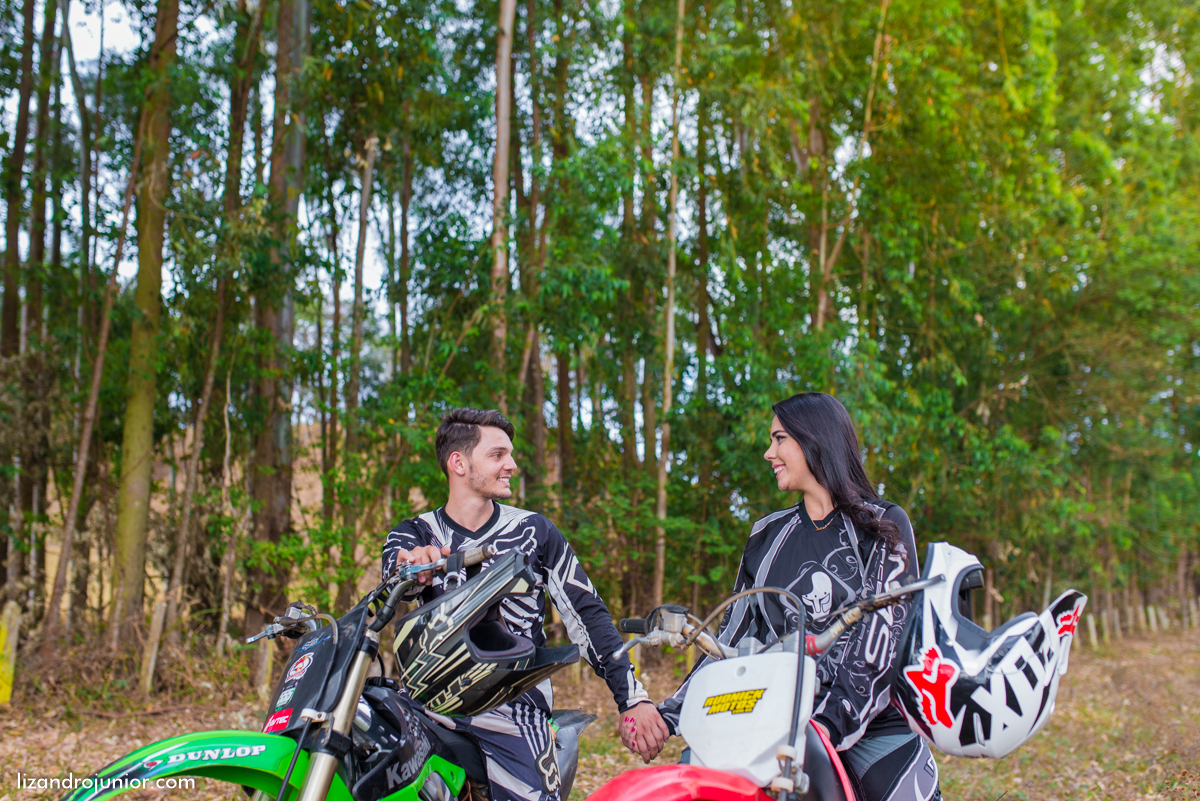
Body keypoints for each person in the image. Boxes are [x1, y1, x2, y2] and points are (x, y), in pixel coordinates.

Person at [651, 392, 941, 801]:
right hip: (777, 720)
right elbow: (730, 638)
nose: (769, 453)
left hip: (872, 727)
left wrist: (824, 724)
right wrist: (670, 715)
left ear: (814, 440)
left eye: (779, 439)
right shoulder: (765, 536)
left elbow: (881, 639)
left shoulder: (883, 523)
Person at [384, 407, 669, 801]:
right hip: (427, 702)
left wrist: (631, 698)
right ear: (459, 463)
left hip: (512, 709)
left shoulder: (534, 531)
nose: (512, 465)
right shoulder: (415, 533)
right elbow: (392, 575)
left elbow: (587, 614)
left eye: (510, 455)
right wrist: (412, 567)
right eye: (498, 455)